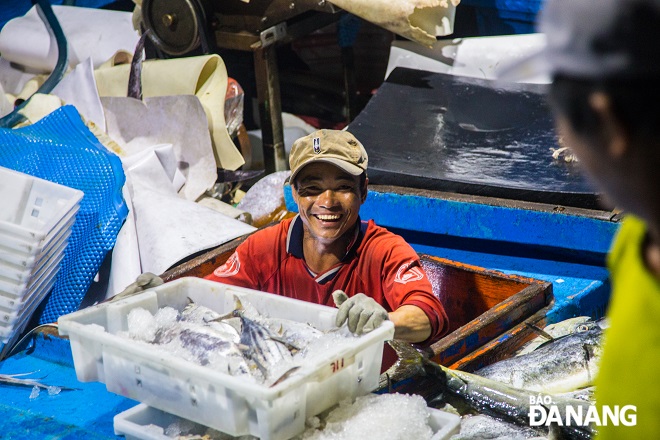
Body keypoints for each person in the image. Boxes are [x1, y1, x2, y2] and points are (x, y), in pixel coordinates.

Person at [501, 0, 660, 437]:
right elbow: (623, 416)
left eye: (562, 115)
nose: (563, 138)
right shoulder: (635, 240)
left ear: (609, 124)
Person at [205, 129, 448, 346]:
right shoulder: (264, 248)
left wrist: (385, 321)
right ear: (295, 193)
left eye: (343, 187)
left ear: (363, 190)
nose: (327, 202)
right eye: (312, 189)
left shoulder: (385, 251)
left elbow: (428, 314)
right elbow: (207, 297)